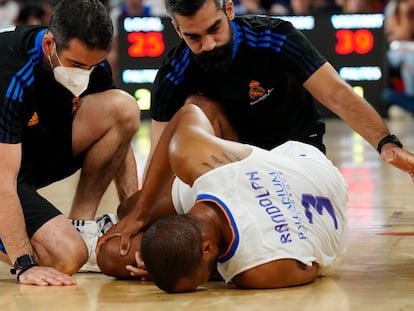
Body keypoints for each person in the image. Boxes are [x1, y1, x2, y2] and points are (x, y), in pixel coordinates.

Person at [98, 103, 349, 292]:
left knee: (119, 255)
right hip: (274, 171)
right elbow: (189, 112)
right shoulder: (199, 161)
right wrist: (140, 214)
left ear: (208, 249)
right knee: (122, 220)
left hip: (318, 177)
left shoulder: (256, 271)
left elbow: (313, 269)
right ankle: (139, 222)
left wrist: (160, 270)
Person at [0, 0, 140, 286]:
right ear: (49, 43)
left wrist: (134, 217)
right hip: (3, 168)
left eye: (93, 65)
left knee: (123, 108)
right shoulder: (11, 74)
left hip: (29, 147)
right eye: (77, 64)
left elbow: (121, 139)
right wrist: (25, 263)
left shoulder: (90, 62)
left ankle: (82, 223)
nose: (85, 73)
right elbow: (3, 182)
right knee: (66, 257)